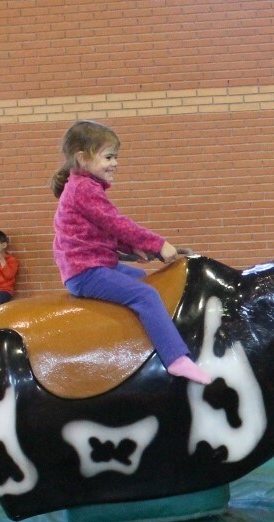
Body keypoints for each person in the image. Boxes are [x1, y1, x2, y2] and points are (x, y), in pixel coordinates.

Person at [51, 120, 210, 385]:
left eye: (116, 157)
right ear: (82, 158)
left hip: (96, 264)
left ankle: (147, 338)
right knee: (146, 295)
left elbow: (102, 232)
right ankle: (175, 359)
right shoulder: (83, 189)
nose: (115, 163)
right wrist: (157, 244)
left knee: (141, 278)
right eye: (108, 157)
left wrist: (132, 248)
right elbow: (117, 223)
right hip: (86, 271)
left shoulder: (82, 187)